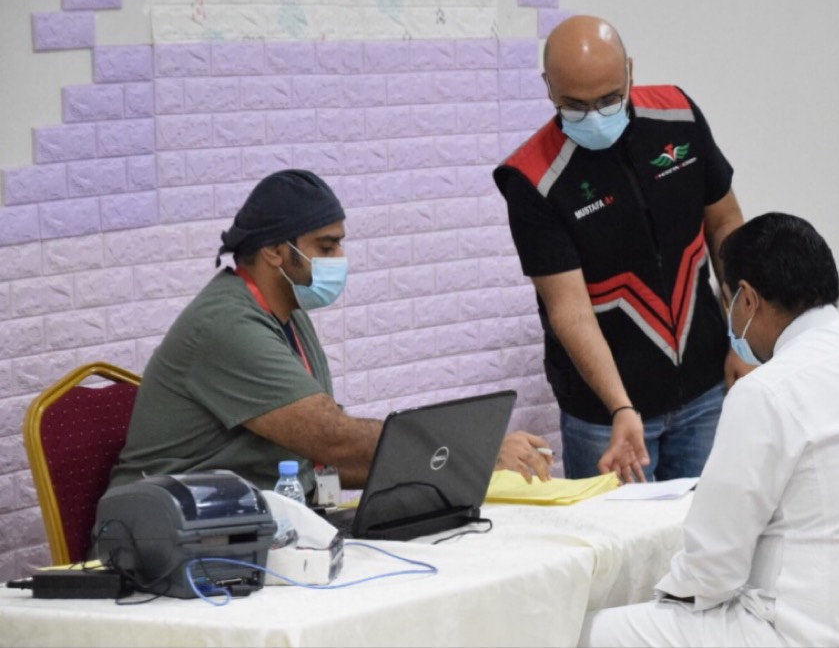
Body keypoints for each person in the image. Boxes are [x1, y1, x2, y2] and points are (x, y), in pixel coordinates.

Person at [579, 212, 839, 647]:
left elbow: (711, 572)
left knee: (579, 630)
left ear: (747, 299)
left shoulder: (769, 391)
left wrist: (661, 596)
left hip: (807, 636)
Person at [110, 169, 552, 501]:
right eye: (326, 246)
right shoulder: (226, 325)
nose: (340, 257)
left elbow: (325, 460)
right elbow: (333, 438)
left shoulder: (288, 314)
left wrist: (452, 469)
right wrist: (476, 453)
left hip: (255, 518)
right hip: (170, 533)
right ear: (274, 250)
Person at [493, 15, 747, 483]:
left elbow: (726, 225)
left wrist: (742, 339)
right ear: (548, 87)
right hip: (606, 416)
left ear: (630, 71)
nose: (595, 116)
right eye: (575, 105)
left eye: (610, 99)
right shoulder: (533, 178)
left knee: (711, 522)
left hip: (707, 385)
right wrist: (620, 406)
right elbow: (569, 309)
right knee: (614, 531)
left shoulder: (678, 115)